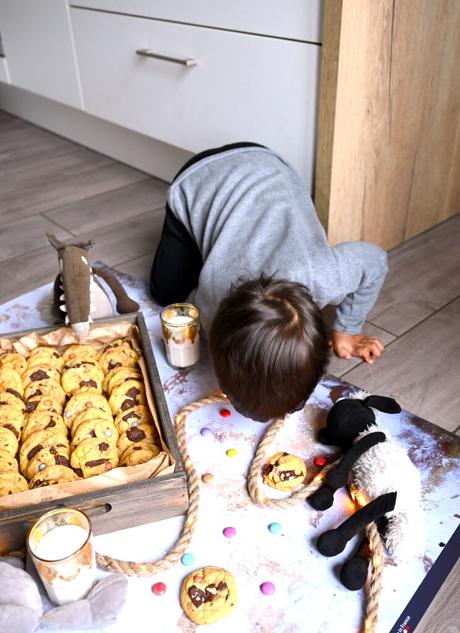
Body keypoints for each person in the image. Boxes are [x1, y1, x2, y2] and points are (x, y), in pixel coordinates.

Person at [150, 143, 387, 421]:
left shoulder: (324, 274)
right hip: (202, 177)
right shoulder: (210, 306)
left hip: (268, 163)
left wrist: (347, 327)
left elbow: (375, 260)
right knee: (167, 296)